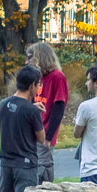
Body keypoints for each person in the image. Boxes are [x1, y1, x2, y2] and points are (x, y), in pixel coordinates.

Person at [0, 64, 45, 192]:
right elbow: (41, 138)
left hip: (6, 162)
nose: (39, 88)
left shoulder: (3, 104)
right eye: (38, 85)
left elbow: (16, 112)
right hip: (25, 164)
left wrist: (30, 108)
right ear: (32, 85)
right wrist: (35, 113)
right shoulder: (32, 111)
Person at [29, 41, 70, 184]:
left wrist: (49, 137)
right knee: (33, 167)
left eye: (30, 57)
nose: (27, 61)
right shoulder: (37, 77)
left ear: (40, 57)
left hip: (45, 131)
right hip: (33, 130)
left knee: (43, 167)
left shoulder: (57, 77)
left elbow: (59, 107)